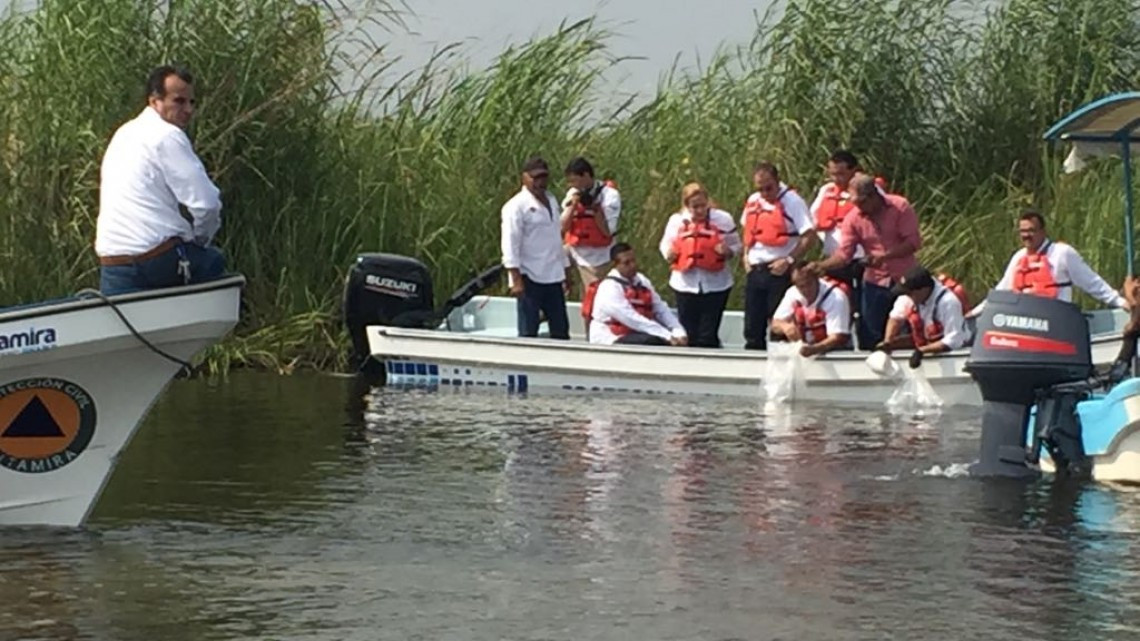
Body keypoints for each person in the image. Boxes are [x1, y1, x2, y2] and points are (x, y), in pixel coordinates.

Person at [95, 65, 226, 295]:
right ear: (155, 101)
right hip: (155, 260)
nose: (188, 110)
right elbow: (207, 204)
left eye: (192, 102)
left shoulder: (123, 134)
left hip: (113, 263)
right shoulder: (167, 135)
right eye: (179, 101)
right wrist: (200, 240)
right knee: (213, 260)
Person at [807, 173, 922, 350]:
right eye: (854, 203)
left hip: (904, 278)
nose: (858, 207)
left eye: (861, 202)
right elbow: (844, 254)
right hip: (875, 281)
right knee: (870, 332)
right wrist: (821, 266)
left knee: (908, 326)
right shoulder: (853, 218)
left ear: (873, 196)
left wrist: (884, 257)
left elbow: (913, 243)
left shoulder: (900, 206)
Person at [968, 210, 1128, 316]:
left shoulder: (1062, 253)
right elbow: (1001, 290)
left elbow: (1091, 282)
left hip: (1056, 320)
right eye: (1023, 231)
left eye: (1031, 230)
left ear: (1043, 232)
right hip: (1025, 324)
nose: (1026, 235)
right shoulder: (1018, 258)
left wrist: (1119, 301)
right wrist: (975, 313)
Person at [740, 162, 815, 350]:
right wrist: (746, 255)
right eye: (760, 189)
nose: (765, 193)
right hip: (755, 269)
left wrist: (789, 260)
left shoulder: (792, 201)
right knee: (752, 325)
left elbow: (809, 235)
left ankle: (781, 360)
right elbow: (748, 230)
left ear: (777, 181)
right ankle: (753, 356)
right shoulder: (754, 201)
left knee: (779, 325)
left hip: (780, 270)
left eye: (769, 188)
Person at [659, 182, 743, 348]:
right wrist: (669, 253)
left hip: (716, 284)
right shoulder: (676, 221)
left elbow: (737, 245)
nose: (699, 210)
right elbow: (665, 244)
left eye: (703, 205)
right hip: (685, 284)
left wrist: (728, 251)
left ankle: (711, 359)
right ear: (686, 205)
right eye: (695, 207)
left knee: (708, 334)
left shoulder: (723, 219)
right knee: (689, 332)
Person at [501, 155, 574, 339]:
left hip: (553, 275)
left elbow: (556, 238)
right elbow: (510, 243)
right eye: (535, 177)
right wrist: (515, 279)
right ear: (524, 177)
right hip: (529, 276)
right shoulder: (516, 206)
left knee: (561, 329)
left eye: (543, 177)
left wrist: (566, 270)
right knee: (529, 330)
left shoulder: (552, 200)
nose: (540, 182)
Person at [584, 243, 688, 346]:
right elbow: (630, 318)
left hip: (637, 332)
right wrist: (667, 336)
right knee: (653, 341)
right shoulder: (609, 288)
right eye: (626, 263)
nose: (632, 265)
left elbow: (660, 308)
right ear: (615, 265)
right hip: (610, 337)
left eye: (633, 260)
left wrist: (679, 331)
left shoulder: (641, 281)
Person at [878, 266, 971, 368]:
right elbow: (895, 318)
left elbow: (954, 339)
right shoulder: (910, 296)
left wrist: (922, 351)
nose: (907, 297)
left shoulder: (948, 302)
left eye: (909, 293)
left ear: (923, 290)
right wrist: (888, 341)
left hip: (955, 355)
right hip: (926, 346)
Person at [561, 157, 621, 289]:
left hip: (597, 257)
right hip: (574, 249)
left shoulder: (609, 195)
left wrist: (595, 209)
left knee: (593, 294)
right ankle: (565, 285)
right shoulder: (573, 193)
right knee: (553, 256)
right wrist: (573, 206)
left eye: (574, 180)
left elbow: (608, 232)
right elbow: (562, 227)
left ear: (586, 175)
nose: (572, 185)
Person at [770, 262, 852, 357]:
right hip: (806, 350)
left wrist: (814, 349)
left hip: (834, 352)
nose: (806, 290)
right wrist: (785, 327)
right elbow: (775, 323)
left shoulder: (836, 297)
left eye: (809, 284)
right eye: (801, 286)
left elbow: (837, 337)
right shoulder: (792, 293)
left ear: (817, 280)